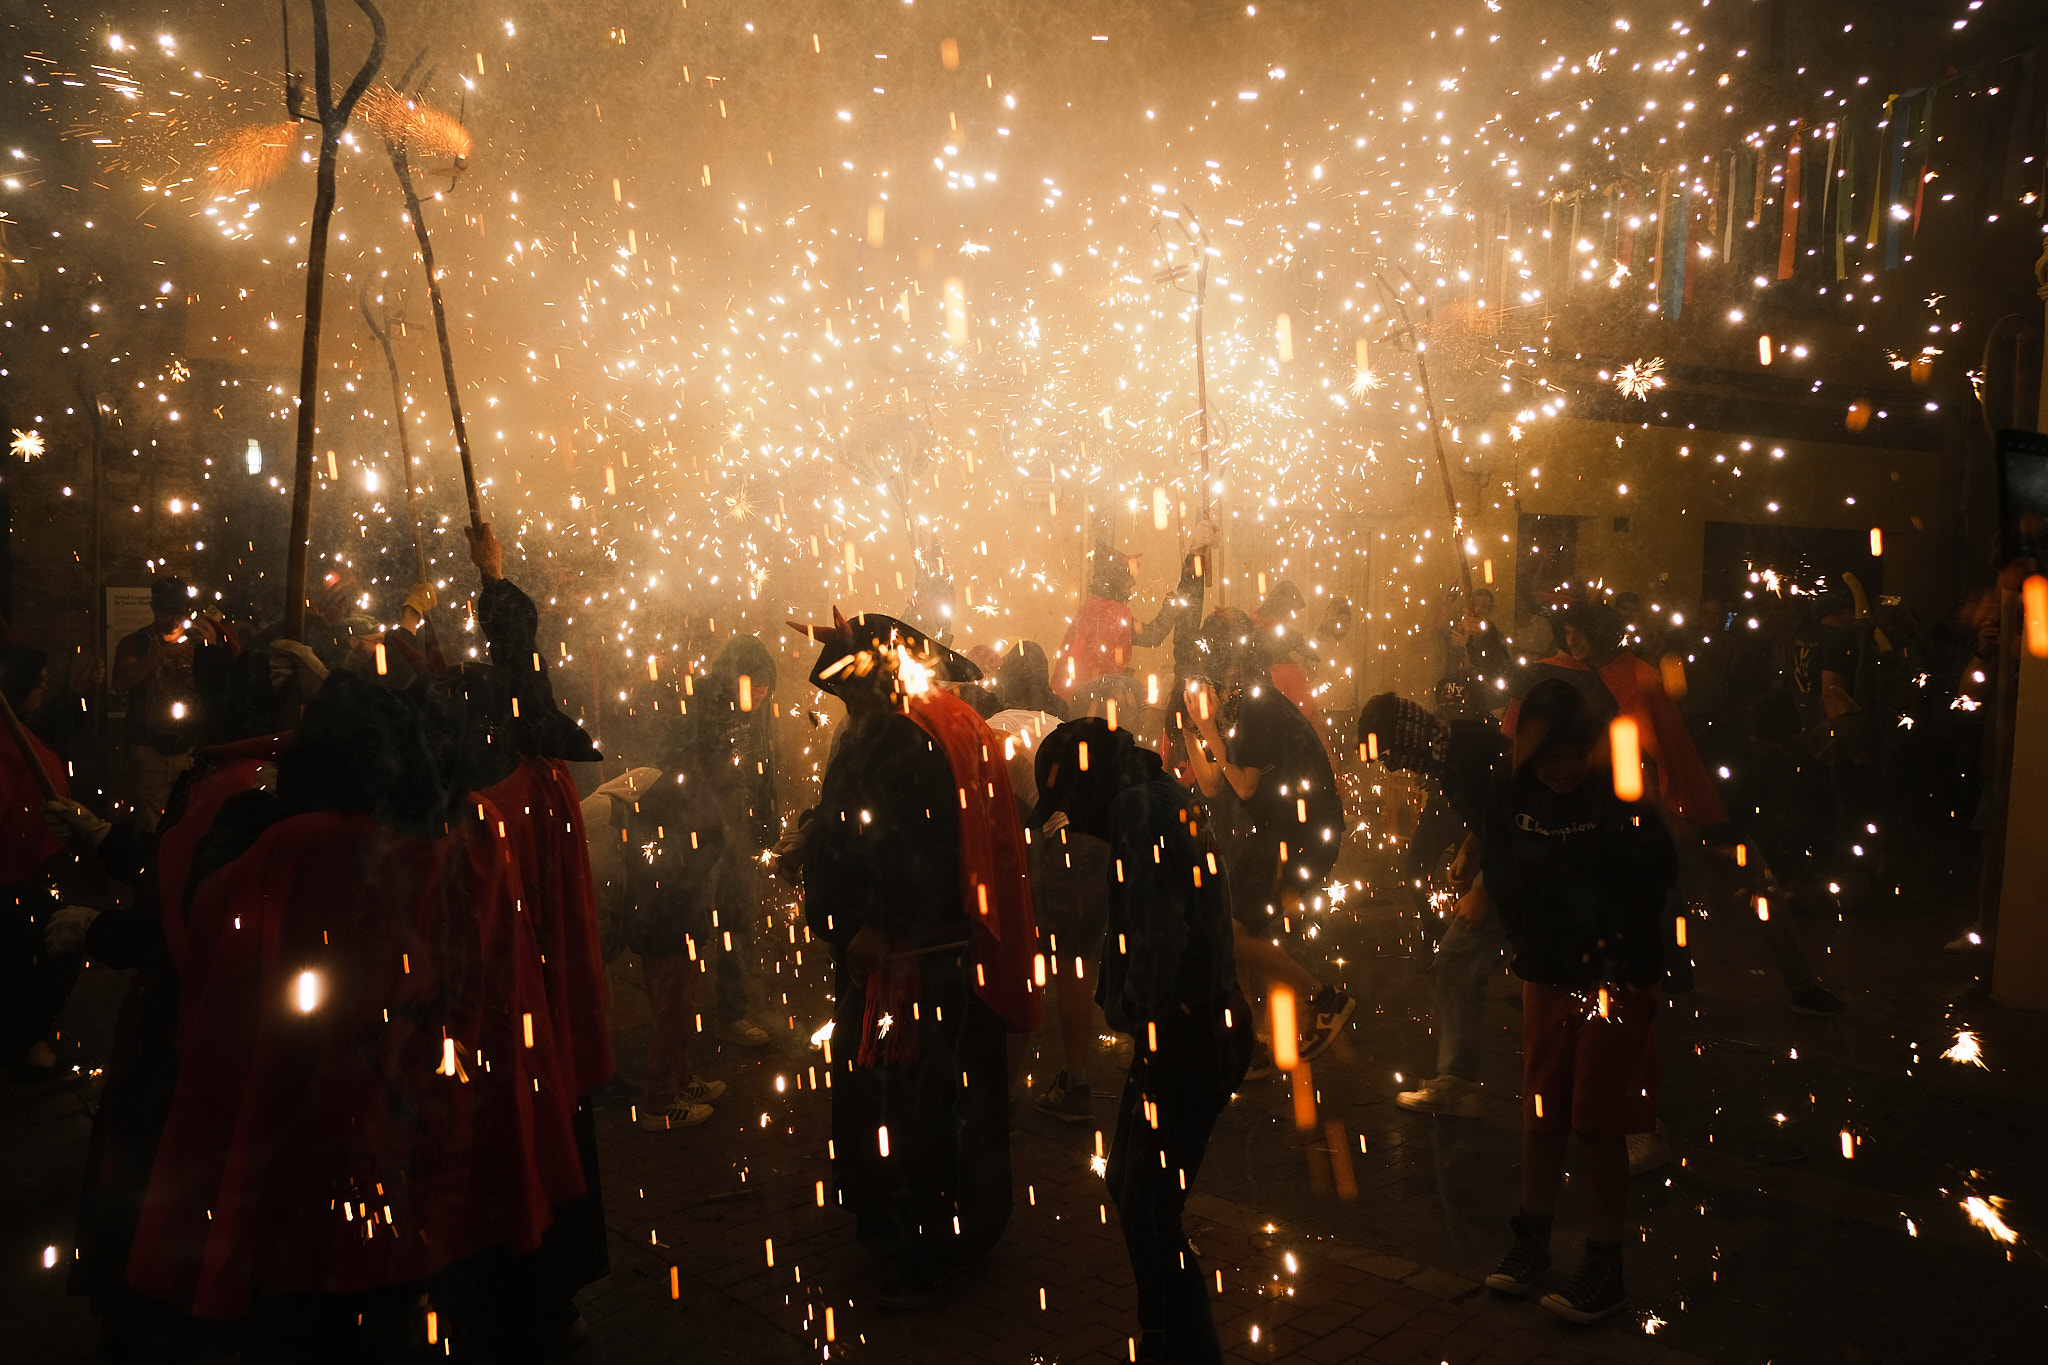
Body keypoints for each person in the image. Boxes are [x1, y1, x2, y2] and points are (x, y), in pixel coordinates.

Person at [128, 673, 585, 1360]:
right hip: (444, 1126)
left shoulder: (291, 844)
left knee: (340, 1319)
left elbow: (208, 933)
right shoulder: (473, 828)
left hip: (324, 1140)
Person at [772, 610, 1037, 1308]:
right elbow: (857, 822)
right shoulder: (917, 723)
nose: (845, 708)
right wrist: (812, 844)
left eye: (850, 692)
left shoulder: (907, 736)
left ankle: (930, 1240)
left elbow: (914, 848)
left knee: (918, 1107)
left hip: (917, 962)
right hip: (914, 958)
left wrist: (876, 924)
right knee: (913, 1103)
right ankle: (914, 1226)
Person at [1029, 717, 1251, 1365]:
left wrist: (1130, 1008)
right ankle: (1161, 1337)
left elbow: (1156, 932)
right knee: (1131, 1182)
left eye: (1069, 805)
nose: (1074, 823)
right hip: (1193, 1028)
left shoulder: (1134, 808)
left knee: (1152, 1207)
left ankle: (1183, 1348)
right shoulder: (1151, 792)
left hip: (1192, 1034)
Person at [1481, 679, 1677, 1324]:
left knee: (1598, 1123)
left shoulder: (1618, 790)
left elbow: (1654, 873)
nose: (1563, 768)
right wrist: (1524, 942)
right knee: (1542, 1111)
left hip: (1614, 978)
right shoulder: (1511, 792)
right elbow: (1503, 871)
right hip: (1549, 972)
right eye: (1550, 755)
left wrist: (1615, 952)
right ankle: (1530, 1242)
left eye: (1575, 754)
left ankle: (1604, 1264)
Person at [1178, 615, 1352, 1072]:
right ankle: (1245, 1041)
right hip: (1279, 832)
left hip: (1303, 832)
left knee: (1233, 934)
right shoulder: (1240, 705)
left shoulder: (1258, 703)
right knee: (1228, 926)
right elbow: (1215, 784)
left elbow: (1247, 786)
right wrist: (1192, 730)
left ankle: (1323, 998)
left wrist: (1209, 728)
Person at [1358, 693, 1511, 1118]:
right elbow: (1491, 817)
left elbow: (1517, 821)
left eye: (1390, 754)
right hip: (1514, 861)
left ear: (1407, 737)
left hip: (1530, 865)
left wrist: (1487, 891)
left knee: (1459, 961)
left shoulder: (1466, 755)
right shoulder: (1449, 751)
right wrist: (1468, 850)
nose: (1391, 767)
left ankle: (1460, 1085)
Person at [678, 634, 782, 1050]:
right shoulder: (704, 703)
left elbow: (766, 762)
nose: (760, 695)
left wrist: (769, 822)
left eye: (766, 689)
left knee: (738, 921)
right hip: (702, 833)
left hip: (741, 831)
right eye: (754, 686)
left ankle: (731, 1013)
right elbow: (685, 767)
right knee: (690, 926)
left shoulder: (755, 709)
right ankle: (680, 1028)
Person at [0, 644, 78, 1078]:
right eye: (40, 686)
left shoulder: (20, 731)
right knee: (54, 947)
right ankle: (24, 1047)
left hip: (16, 875)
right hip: (6, 880)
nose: (43, 693)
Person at [110, 578, 207, 831]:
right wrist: (160, 654)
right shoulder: (136, 643)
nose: (171, 621)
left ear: (186, 612)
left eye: (176, 613)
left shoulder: (200, 644)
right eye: (165, 613)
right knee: (150, 826)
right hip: (148, 750)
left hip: (189, 750)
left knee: (187, 824)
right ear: (154, 609)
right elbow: (120, 683)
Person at [1053, 541, 1137, 700]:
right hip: (1092, 696)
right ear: (1118, 582)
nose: (1132, 585)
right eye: (1128, 581)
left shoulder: (1092, 605)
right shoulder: (1115, 612)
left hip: (1069, 693)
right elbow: (1152, 636)